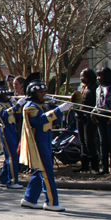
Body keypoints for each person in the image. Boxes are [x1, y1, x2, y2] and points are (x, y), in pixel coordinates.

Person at [19, 73, 73, 211]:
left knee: (40, 170)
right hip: (37, 141)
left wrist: (57, 107)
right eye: (40, 92)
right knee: (47, 171)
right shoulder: (30, 106)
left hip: (47, 138)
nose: (44, 94)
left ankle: (29, 199)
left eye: (44, 91)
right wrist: (58, 109)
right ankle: (51, 202)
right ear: (33, 92)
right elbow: (40, 120)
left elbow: (56, 121)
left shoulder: (44, 105)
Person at [0, 81, 24, 189]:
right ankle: (12, 181)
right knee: (12, 155)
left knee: (9, 156)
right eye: (5, 95)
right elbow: (3, 114)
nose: (7, 97)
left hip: (13, 129)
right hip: (5, 129)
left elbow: (19, 114)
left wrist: (16, 104)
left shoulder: (9, 104)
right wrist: (16, 105)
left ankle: (2, 179)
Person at [94, 67, 111, 175]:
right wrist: (93, 112)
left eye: (100, 75)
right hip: (101, 116)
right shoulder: (98, 89)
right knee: (103, 143)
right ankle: (104, 167)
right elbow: (98, 103)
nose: (98, 78)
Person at [75, 68, 99, 173]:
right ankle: (84, 165)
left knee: (89, 141)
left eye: (83, 76)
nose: (81, 78)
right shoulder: (83, 87)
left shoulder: (95, 88)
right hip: (81, 117)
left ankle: (94, 165)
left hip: (89, 117)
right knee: (82, 142)